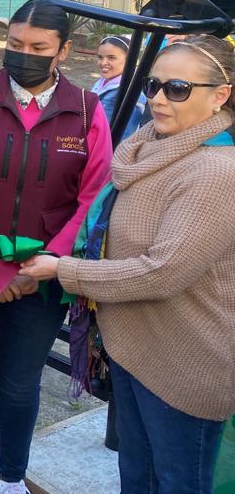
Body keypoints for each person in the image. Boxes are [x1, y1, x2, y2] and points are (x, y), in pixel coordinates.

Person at [23, 34, 235, 494]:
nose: (158, 98)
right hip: (135, 351)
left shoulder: (215, 172)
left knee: (177, 483)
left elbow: (163, 271)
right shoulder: (150, 146)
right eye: (154, 85)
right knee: (136, 478)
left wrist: (63, 270)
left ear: (220, 97)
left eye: (177, 89)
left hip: (183, 367)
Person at [0, 0, 113, 494]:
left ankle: (12, 476)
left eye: (38, 47)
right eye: (15, 44)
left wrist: (42, 265)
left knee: (20, 384)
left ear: (64, 50)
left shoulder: (86, 111)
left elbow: (91, 198)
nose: (24, 54)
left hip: (43, 279)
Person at [92, 34, 144, 139]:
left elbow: (127, 132)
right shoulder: (102, 82)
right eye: (100, 57)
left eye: (111, 58)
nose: (103, 63)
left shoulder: (131, 91)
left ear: (130, 59)